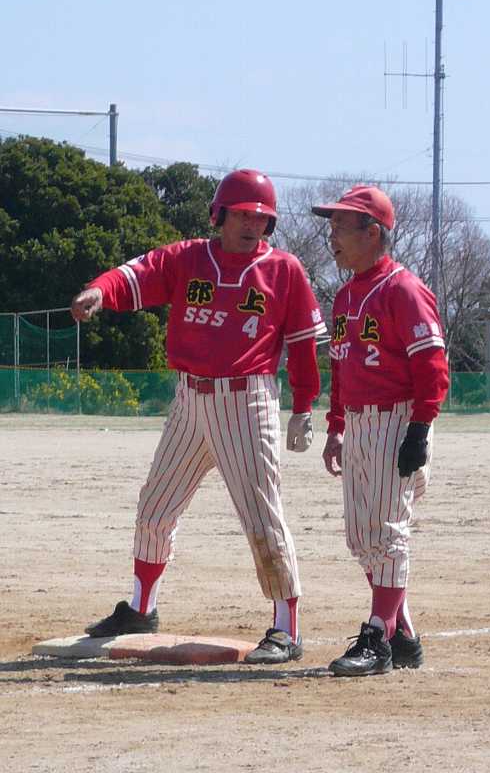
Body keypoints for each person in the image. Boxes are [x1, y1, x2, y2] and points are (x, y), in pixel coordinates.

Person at [71, 168, 326, 664]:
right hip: (189, 399)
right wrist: (99, 291)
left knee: (261, 515)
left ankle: (286, 627)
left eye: (261, 217)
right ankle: (142, 607)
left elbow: (301, 345)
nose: (251, 224)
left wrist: (303, 407)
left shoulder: (284, 270)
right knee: (155, 506)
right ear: (219, 215)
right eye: (242, 215)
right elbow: (135, 274)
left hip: (246, 401)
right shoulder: (188, 258)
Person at [312, 184, 449, 677]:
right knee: (360, 537)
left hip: (398, 418)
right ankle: (402, 633)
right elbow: (341, 367)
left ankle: (377, 637)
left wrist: (420, 429)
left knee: (387, 534)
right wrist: (336, 427)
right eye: (331, 227)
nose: (332, 237)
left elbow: (432, 365)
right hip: (359, 422)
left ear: (372, 233)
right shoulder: (346, 295)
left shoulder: (403, 289)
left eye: (341, 227)